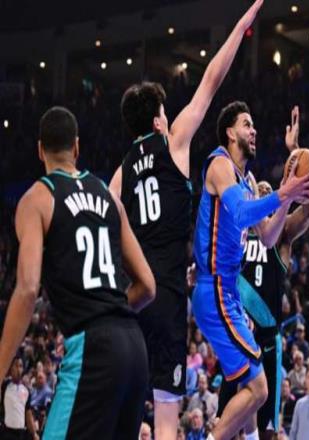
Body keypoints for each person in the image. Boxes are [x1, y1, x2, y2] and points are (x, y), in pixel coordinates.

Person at [109, 2, 265, 439]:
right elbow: (211, 80)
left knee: (125, 412)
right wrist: (241, 26)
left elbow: (103, 220)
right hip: (167, 294)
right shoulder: (173, 141)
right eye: (164, 111)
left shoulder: (120, 173)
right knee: (165, 419)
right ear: (158, 119)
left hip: (132, 295)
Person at [0, 107, 156, 439]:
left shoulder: (37, 199)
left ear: (40, 150)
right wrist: (110, 313)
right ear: (77, 146)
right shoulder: (109, 197)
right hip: (134, 347)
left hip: (94, 349)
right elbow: (147, 286)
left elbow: (27, 289)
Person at [192, 100, 309, 440]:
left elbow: (268, 236)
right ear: (230, 133)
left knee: (251, 390)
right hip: (215, 290)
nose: (254, 130)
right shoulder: (219, 165)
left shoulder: (247, 180)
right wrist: (282, 192)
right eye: (247, 124)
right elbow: (240, 213)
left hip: (229, 294)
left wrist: (288, 190)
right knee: (258, 388)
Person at [0, 358, 38, 440]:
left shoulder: (26, 390)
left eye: (20, 366)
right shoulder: (5, 385)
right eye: (16, 365)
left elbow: (28, 414)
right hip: (6, 431)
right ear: (11, 368)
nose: (18, 369)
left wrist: (34, 433)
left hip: (20, 433)